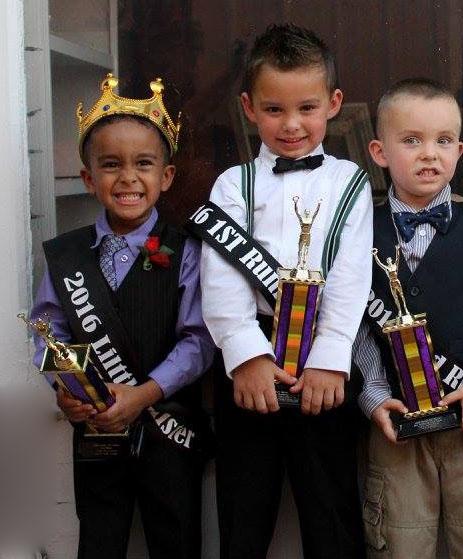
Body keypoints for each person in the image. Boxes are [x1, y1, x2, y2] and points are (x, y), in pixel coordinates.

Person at [196, 23, 372, 558]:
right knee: (243, 516)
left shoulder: (351, 182)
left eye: (306, 107)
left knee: (332, 513)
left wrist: (331, 357)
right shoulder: (232, 185)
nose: (291, 124)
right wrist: (244, 355)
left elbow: (350, 276)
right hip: (250, 361)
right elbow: (220, 278)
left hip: (325, 361)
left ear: (334, 103)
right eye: (274, 109)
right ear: (249, 107)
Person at [28, 73, 214, 559]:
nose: (128, 178)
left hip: (170, 431)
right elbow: (50, 333)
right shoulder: (67, 258)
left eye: (144, 164)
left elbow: (198, 342)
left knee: (176, 541)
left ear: (167, 176)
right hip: (98, 433)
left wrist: (145, 394)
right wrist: (69, 394)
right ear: (89, 178)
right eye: (111, 165)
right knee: (99, 541)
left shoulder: (186, 250)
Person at [355, 78, 463, 558]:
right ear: (379, 151)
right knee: (399, 546)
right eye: (411, 141)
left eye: (443, 141)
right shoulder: (357, 228)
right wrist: (372, 395)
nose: (429, 154)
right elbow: (355, 323)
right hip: (395, 425)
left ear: (459, 150)